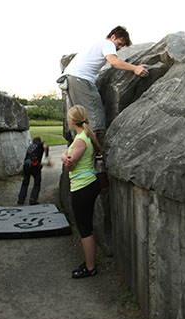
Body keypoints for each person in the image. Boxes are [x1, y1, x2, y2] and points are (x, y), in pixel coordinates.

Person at [63, 26, 149, 142]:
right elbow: (114, 62)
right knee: (95, 115)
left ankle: (78, 149)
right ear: (112, 37)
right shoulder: (107, 44)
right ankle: (95, 150)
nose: (118, 48)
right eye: (119, 44)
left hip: (73, 79)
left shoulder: (97, 45)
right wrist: (135, 68)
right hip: (81, 79)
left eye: (121, 46)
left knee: (81, 117)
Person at [61, 105, 101, 279]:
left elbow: (70, 165)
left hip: (82, 188)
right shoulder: (83, 136)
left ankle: (90, 268)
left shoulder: (80, 140)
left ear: (71, 121)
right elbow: (66, 155)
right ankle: (89, 262)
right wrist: (64, 156)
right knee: (87, 227)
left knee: (84, 229)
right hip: (87, 185)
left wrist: (65, 158)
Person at [17, 137, 49, 206]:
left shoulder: (30, 146)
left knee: (25, 182)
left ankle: (21, 199)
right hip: (35, 165)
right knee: (37, 182)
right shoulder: (40, 144)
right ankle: (33, 199)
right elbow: (45, 145)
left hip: (26, 165)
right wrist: (47, 155)